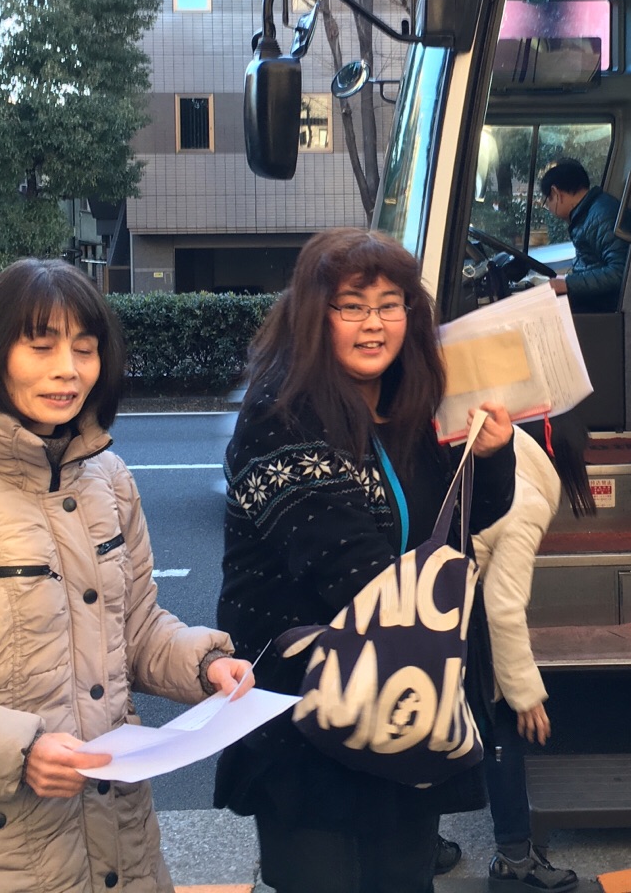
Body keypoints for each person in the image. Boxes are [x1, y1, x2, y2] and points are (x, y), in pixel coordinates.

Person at [0, 258, 252, 893]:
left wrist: (204, 666)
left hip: (122, 836)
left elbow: (135, 627)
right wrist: (21, 751)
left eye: (85, 349)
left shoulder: (110, 482)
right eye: (41, 347)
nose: (69, 369)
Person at [215, 228, 516, 893]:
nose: (373, 324)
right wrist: (441, 600)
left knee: (403, 876)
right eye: (351, 306)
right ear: (313, 315)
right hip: (310, 714)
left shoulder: (413, 405)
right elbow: (348, 567)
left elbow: (472, 519)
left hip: (404, 704)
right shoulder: (280, 418)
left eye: (390, 305)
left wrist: (491, 455)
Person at [467, 416, 596, 891]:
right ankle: (515, 859)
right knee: (501, 724)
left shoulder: (506, 463)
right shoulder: (527, 501)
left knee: (432, 724)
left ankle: (422, 841)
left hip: (424, 604)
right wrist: (524, 695)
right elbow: (502, 607)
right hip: (457, 616)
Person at [539, 158, 629, 313]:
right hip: (594, 301)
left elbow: (621, 272)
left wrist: (568, 284)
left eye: (547, 202)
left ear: (556, 193)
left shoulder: (601, 215)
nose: (550, 209)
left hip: (603, 309)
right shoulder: (588, 214)